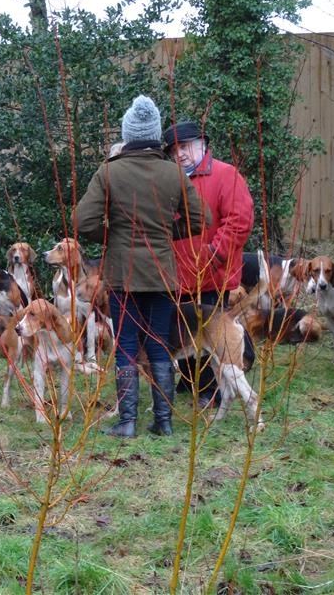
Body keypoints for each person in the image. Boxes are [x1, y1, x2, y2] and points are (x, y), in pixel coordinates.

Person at [76, 95, 209, 438]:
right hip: (162, 273)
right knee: (159, 343)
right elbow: (201, 219)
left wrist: (113, 236)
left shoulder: (110, 172)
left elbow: (83, 220)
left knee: (126, 345)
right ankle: (164, 422)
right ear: (155, 135)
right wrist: (165, 234)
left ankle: (128, 422)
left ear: (128, 134)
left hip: (124, 275)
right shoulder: (173, 172)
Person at [162, 121, 254, 409]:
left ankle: (211, 392)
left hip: (212, 275)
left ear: (202, 144)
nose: (179, 153)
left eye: (184, 146)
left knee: (212, 335)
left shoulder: (226, 175)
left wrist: (214, 255)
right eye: (173, 150)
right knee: (182, 333)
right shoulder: (170, 181)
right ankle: (192, 382)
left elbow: (239, 221)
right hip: (176, 276)